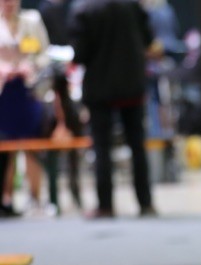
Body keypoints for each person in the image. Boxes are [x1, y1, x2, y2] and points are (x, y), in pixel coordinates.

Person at [68, 0, 156, 218]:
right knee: (137, 146)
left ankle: (105, 206)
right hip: (132, 85)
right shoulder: (133, 6)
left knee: (101, 148)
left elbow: (79, 53)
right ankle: (145, 204)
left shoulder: (85, 10)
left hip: (100, 89)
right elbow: (149, 40)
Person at [0, 0, 50, 217]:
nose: (8, 3)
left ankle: (36, 200)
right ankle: (5, 200)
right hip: (3, 94)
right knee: (5, 149)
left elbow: (45, 54)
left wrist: (30, 66)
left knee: (32, 146)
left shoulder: (32, 21)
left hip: (27, 92)